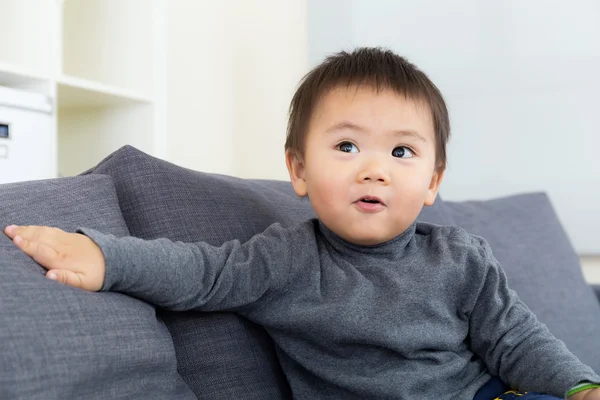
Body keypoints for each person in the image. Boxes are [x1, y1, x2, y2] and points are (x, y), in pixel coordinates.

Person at [4, 48, 600, 400]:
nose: (374, 171)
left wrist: (579, 386)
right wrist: (107, 257)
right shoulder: (285, 259)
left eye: (401, 153)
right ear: (299, 169)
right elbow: (200, 271)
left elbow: (516, 340)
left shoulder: (462, 258)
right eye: (346, 146)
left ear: (434, 182)